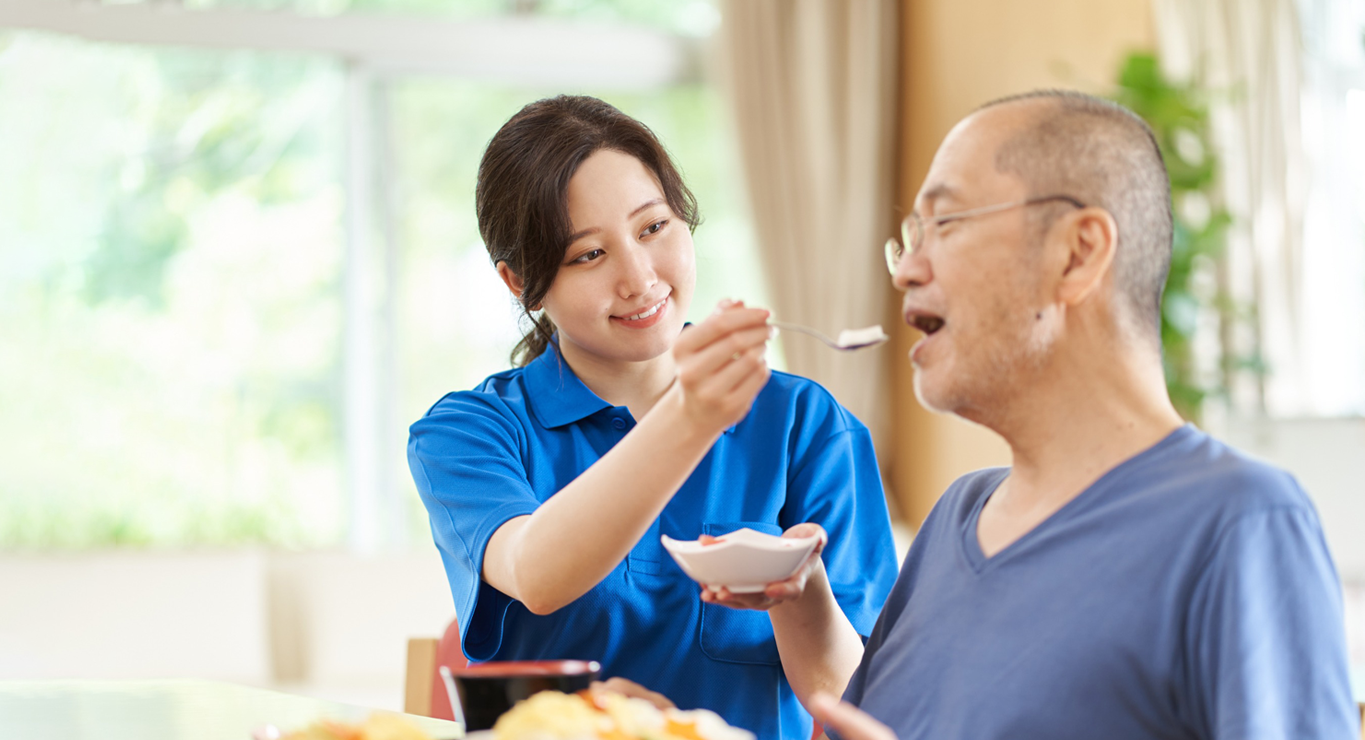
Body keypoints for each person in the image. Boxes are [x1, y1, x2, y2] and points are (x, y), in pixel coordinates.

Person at [708, 90, 1360, 739]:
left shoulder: (1240, 523)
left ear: (1076, 254)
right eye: (909, 236)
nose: (906, 269)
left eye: (946, 223)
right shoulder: (955, 520)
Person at [406, 95, 898, 740]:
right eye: (588, 255)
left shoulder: (805, 424)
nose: (639, 279)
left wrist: (799, 592)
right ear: (519, 281)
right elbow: (536, 574)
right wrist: (690, 416)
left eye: (653, 228)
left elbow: (853, 699)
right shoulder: (469, 433)